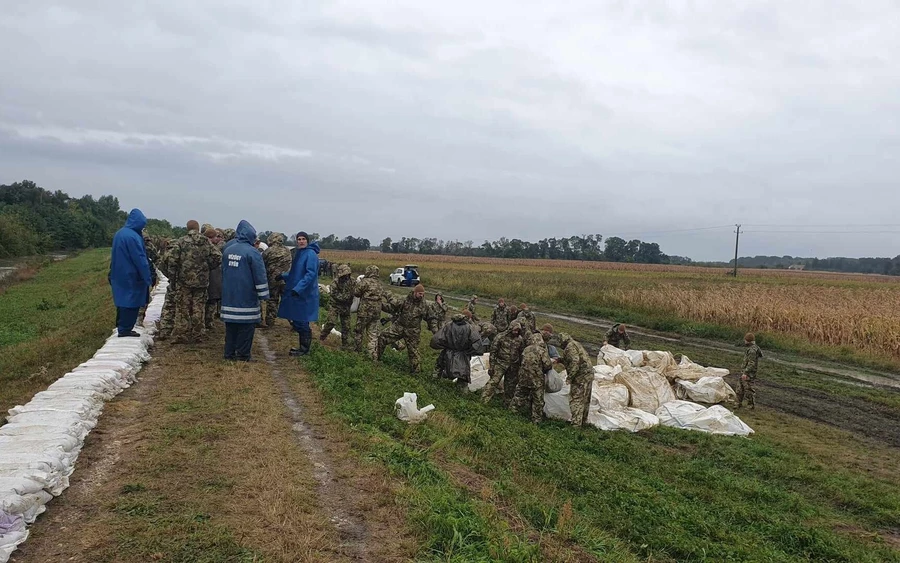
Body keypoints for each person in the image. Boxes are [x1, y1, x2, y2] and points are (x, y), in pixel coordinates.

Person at [221, 220, 269, 361]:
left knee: (231, 328)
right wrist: (263, 295)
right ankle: (243, 355)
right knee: (246, 328)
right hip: (246, 297)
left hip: (229, 296)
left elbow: (223, 272)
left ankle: (229, 354)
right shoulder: (253, 253)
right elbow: (260, 275)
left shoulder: (228, 250)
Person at [168, 220, 221, 343]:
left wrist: (173, 276)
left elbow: (172, 260)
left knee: (183, 308)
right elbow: (217, 256)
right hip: (201, 281)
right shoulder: (205, 241)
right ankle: (198, 334)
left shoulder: (181, 241)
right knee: (199, 307)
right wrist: (208, 267)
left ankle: (182, 334)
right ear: (198, 229)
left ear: (187, 228)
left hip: (184, 281)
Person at [109, 209, 152, 337]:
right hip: (132, 275)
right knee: (131, 302)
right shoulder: (133, 237)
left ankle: (122, 326)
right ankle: (125, 329)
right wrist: (147, 277)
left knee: (122, 300)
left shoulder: (120, 233)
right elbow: (140, 259)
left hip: (119, 273)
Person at [277, 231, 320, 356]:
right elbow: (296, 273)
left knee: (301, 321)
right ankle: (302, 347)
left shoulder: (310, 254)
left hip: (305, 294)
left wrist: (298, 289)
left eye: (303, 239)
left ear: (307, 240)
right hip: (297, 292)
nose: (301, 241)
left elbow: (310, 274)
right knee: (297, 320)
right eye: (299, 239)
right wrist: (283, 276)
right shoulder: (300, 253)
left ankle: (305, 349)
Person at [378, 284, 429, 373]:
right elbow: (392, 308)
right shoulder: (405, 300)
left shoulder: (424, 305)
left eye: (423, 294)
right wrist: (380, 305)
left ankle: (416, 372)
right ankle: (376, 358)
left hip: (412, 331)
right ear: (415, 292)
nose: (421, 296)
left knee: (413, 352)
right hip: (399, 326)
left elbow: (430, 317)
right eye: (420, 293)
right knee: (382, 336)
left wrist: (435, 329)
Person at [430, 313, 484, 389]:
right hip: (463, 353)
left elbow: (437, 339)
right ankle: (462, 389)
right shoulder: (470, 327)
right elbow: (477, 342)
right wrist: (470, 351)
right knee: (464, 371)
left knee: (440, 365)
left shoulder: (448, 326)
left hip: (448, 351)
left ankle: (434, 383)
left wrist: (444, 346)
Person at [511, 333, 553, 423]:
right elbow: (548, 365)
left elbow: (521, 360)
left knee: (519, 395)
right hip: (536, 380)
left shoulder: (526, 349)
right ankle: (536, 419)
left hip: (523, 377)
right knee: (538, 400)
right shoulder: (542, 351)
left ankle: (512, 411)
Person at [481, 320, 526, 405]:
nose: (516, 332)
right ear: (510, 328)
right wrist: (492, 366)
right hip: (500, 364)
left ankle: (507, 403)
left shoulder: (520, 340)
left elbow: (521, 353)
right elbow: (493, 351)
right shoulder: (500, 337)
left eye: (517, 331)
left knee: (510, 387)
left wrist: (520, 367)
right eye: (514, 330)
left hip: (513, 366)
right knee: (493, 382)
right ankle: (484, 400)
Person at [556, 333, 593, 427]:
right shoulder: (576, 343)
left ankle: (576, 425)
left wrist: (570, 378)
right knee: (585, 399)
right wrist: (561, 360)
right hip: (588, 374)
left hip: (580, 376)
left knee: (576, 399)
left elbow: (575, 362)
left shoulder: (569, 347)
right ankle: (583, 421)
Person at [354, 265, 388, 359]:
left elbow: (356, 293)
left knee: (359, 331)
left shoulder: (365, 282)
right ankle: (372, 355)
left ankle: (357, 351)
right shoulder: (380, 284)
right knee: (373, 334)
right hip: (376, 312)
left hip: (364, 311)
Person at [320, 263, 356, 350]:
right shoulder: (335, 282)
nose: (346, 277)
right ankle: (322, 336)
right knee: (331, 322)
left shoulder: (352, 281)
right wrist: (347, 297)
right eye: (344, 275)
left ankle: (345, 345)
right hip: (335, 306)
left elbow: (357, 290)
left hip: (346, 307)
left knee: (346, 326)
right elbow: (334, 294)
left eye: (347, 275)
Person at [262, 232, 293, 328]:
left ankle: (270, 322)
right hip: (286, 279)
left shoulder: (268, 251)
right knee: (288, 301)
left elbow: (262, 264)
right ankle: (293, 321)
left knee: (272, 300)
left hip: (273, 280)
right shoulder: (287, 250)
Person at [737, 332, 763, 409]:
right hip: (745, 371)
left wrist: (746, 373)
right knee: (740, 388)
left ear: (748, 340)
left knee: (748, 389)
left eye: (745, 340)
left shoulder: (752, 351)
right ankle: (738, 403)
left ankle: (750, 405)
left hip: (748, 373)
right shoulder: (752, 348)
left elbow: (752, 363)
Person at [204, 228, 223, 331]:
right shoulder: (210, 248)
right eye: (217, 237)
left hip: (213, 277)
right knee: (209, 300)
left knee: (212, 300)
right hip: (209, 277)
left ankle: (208, 321)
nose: (218, 239)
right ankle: (207, 322)